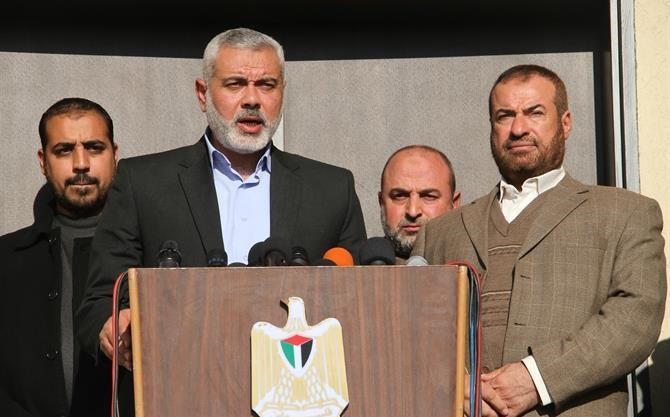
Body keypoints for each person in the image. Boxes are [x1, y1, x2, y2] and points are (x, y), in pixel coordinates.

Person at [75, 28, 367, 373]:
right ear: (203, 94)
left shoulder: (332, 188)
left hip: (298, 379)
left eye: (266, 85)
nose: (252, 99)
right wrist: (111, 326)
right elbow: (99, 301)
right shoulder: (143, 182)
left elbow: (361, 303)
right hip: (182, 378)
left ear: (282, 93)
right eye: (235, 84)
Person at [412, 64, 666, 416]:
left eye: (534, 113)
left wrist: (537, 378)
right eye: (504, 116)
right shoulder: (439, 232)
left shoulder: (624, 214)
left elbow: (635, 319)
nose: (518, 128)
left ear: (565, 123)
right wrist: (455, 388)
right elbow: (413, 333)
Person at [0, 98, 119, 417]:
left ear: (114, 154)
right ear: (43, 161)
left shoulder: (149, 254)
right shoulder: (6, 260)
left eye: (94, 147)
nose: (81, 163)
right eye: (64, 150)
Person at [378, 145, 460, 261]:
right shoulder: (355, 268)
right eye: (400, 196)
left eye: (429, 196)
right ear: (381, 202)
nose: (413, 211)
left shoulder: (475, 266)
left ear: (455, 204)